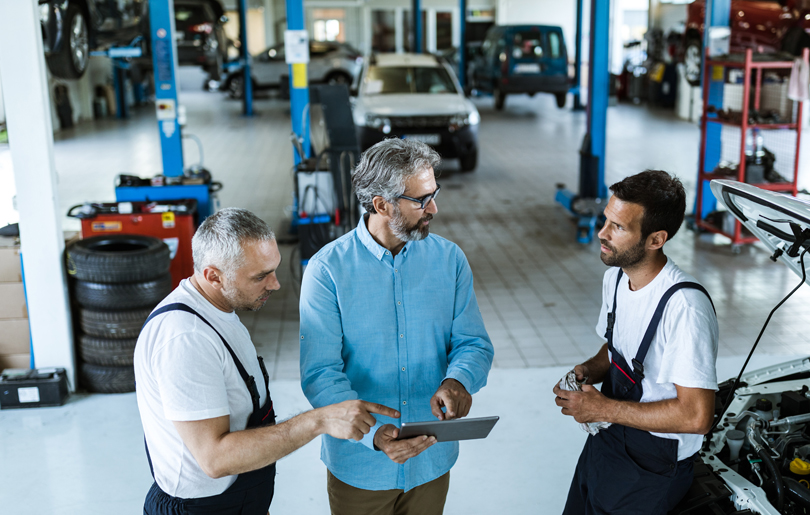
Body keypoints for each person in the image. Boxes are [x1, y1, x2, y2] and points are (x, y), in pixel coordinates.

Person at [134, 208, 399, 515]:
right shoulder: (185, 338)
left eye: (273, 269)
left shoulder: (217, 309)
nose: (275, 284)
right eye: (261, 276)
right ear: (213, 276)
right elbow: (215, 458)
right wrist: (318, 420)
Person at [299, 139, 494, 515]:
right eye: (421, 200)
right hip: (361, 468)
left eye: (433, 194)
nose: (433, 209)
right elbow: (321, 373)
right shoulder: (327, 271)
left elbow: (473, 343)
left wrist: (460, 380)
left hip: (430, 463)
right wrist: (374, 435)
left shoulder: (449, 260)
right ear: (381, 204)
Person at [553, 170, 719, 515]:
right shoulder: (615, 278)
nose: (602, 233)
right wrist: (587, 370)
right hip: (607, 442)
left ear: (656, 239)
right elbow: (616, 351)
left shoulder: (685, 308)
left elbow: (697, 416)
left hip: (652, 468)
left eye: (619, 227)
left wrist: (603, 409)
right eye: (606, 220)